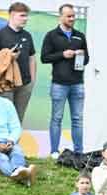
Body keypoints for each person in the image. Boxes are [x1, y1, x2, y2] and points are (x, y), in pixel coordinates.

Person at [41, 3, 87, 159]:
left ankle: (79, 151)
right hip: (59, 84)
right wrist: (62, 54)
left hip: (77, 83)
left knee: (77, 119)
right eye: (69, 16)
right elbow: (44, 58)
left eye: (73, 16)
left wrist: (81, 55)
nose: (72, 18)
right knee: (57, 118)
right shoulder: (51, 35)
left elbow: (87, 59)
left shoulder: (80, 35)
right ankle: (54, 151)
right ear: (60, 16)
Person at [0, 2, 37, 123]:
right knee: (5, 118)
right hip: (6, 84)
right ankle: (3, 142)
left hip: (25, 84)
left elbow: (32, 58)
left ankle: (15, 142)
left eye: (26, 16)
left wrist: (32, 81)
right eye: (22, 16)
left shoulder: (27, 35)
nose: (26, 19)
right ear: (12, 15)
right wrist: (7, 56)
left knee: (18, 119)